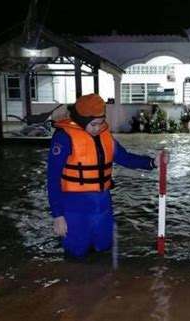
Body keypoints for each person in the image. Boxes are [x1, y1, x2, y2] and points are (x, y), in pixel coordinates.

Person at [47, 93, 168, 258]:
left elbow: (125, 158)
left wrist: (152, 162)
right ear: (82, 121)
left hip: (102, 203)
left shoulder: (104, 135)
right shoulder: (64, 138)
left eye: (101, 122)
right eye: (93, 124)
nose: (98, 128)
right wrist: (58, 215)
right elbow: (53, 179)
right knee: (76, 254)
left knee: (103, 250)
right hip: (74, 207)